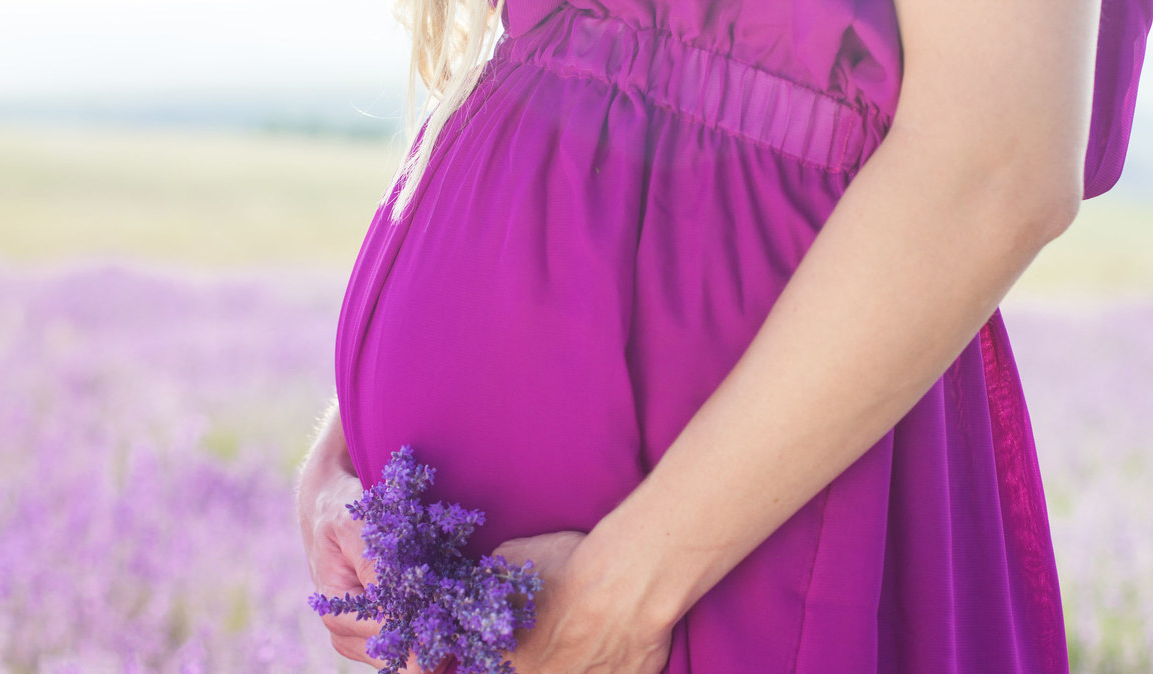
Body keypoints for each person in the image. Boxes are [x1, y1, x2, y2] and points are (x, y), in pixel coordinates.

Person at [297, 0, 1152, 671]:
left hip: (719, 544)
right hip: (497, 557)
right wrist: (347, 443)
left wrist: (621, 597)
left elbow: (999, 165)